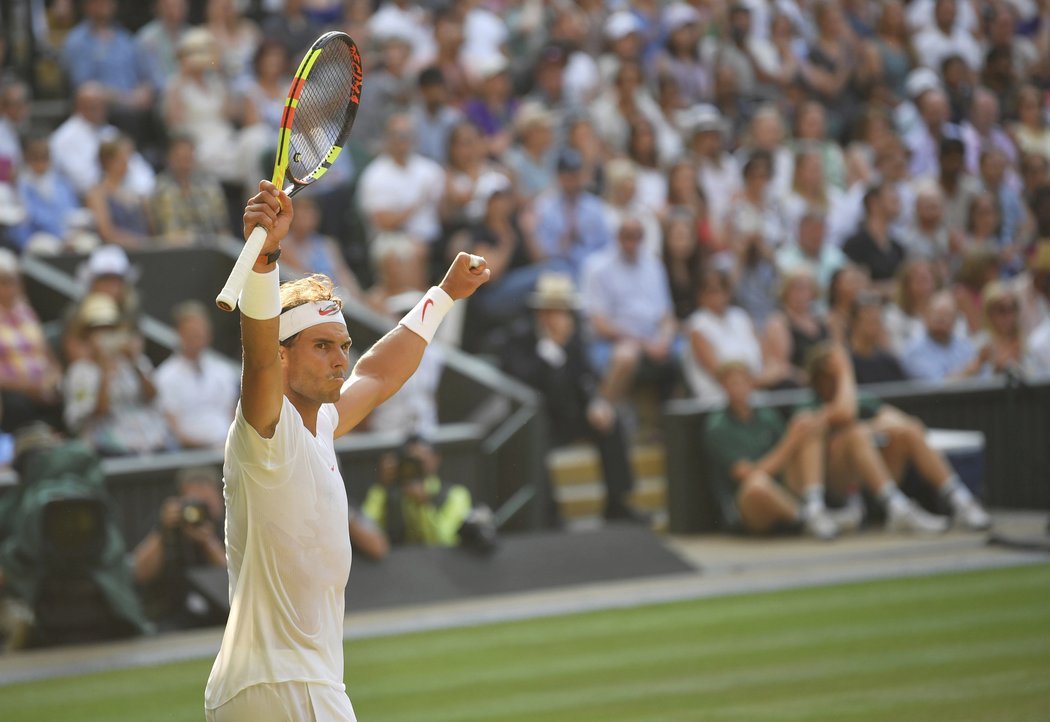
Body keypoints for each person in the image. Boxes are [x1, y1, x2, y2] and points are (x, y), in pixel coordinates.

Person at [204, 180, 489, 722]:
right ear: (285, 358)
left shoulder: (322, 424)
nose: (339, 359)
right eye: (321, 346)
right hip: (288, 687)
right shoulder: (267, 427)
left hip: (272, 687)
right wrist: (266, 257)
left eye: (342, 346)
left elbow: (378, 375)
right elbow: (259, 357)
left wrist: (445, 294)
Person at [495, 272, 640, 523]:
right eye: (556, 311)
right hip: (538, 420)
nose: (563, 317)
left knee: (611, 422)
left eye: (565, 311)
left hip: (570, 415)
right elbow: (522, 383)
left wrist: (596, 402)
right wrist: (551, 349)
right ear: (542, 313)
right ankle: (550, 514)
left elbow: (586, 376)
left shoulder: (574, 339)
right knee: (535, 436)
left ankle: (618, 503)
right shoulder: (518, 339)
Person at [802, 343, 991, 532]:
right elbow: (845, 413)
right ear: (818, 378)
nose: (835, 380)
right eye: (830, 375)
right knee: (856, 434)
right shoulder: (808, 404)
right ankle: (898, 508)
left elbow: (902, 421)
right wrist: (846, 371)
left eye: (837, 374)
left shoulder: (859, 399)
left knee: (909, 430)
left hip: (874, 484)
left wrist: (877, 428)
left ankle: (960, 501)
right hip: (838, 490)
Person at [703, 362, 841, 539]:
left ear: (752, 383)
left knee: (806, 425)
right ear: (723, 387)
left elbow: (787, 456)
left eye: (742, 381)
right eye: (732, 383)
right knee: (757, 485)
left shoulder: (767, 415)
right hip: (749, 506)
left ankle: (816, 504)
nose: (738, 388)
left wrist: (803, 430)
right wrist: (791, 441)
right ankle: (809, 518)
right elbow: (749, 475)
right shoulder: (717, 427)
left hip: (785, 488)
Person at [580, 217, 678, 408]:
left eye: (637, 237)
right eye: (627, 237)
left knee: (687, 349)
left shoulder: (654, 265)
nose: (632, 243)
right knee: (627, 355)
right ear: (617, 237)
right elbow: (599, 323)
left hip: (653, 338)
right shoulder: (596, 266)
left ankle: (672, 419)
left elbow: (666, 316)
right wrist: (644, 345)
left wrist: (664, 339)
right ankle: (602, 410)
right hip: (612, 342)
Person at [62, 293, 172, 457]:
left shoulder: (135, 361)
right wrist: (105, 370)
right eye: (97, 330)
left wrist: (134, 361)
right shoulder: (80, 371)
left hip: (148, 438)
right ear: (87, 336)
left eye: (110, 328)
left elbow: (153, 396)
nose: (104, 335)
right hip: (106, 444)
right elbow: (100, 411)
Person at [132, 466, 228, 630]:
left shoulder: (229, 525)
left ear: (220, 500)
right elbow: (140, 573)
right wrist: (164, 531)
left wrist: (208, 541)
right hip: (171, 617)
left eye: (206, 503)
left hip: (222, 613)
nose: (199, 512)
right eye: (193, 503)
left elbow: (233, 579)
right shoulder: (164, 526)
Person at [361, 435, 473, 547]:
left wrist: (424, 505)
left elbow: (444, 541)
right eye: (409, 461)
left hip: (439, 563)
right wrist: (383, 486)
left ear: (436, 458)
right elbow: (365, 530)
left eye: (420, 461)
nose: (414, 467)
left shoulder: (456, 494)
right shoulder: (388, 492)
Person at [155, 301, 239, 449]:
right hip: (189, 454)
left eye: (200, 331)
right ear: (179, 334)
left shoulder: (224, 372)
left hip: (229, 451)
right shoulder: (165, 376)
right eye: (191, 332)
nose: (196, 336)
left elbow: (232, 415)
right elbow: (171, 427)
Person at [0, 250, 64, 434]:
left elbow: (48, 355)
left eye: (14, 281)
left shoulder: (27, 312)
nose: (10, 288)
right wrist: (27, 387)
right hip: (11, 393)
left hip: (42, 388)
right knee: (17, 406)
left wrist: (52, 380)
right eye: (4, 282)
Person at [901, 290, 979, 381]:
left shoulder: (966, 348)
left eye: (947, 315)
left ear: (955, 319)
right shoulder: (913, 350)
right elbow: (937, 389)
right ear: (926, 315)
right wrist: (974, 367)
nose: (942, 320)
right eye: (937, 314)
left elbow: (985, 380)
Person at [848, 292, 909, 384]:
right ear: (854, 322)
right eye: (868, 320)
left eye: (876, 320)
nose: (873, 326)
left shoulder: (889, 362)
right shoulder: (845, 363)